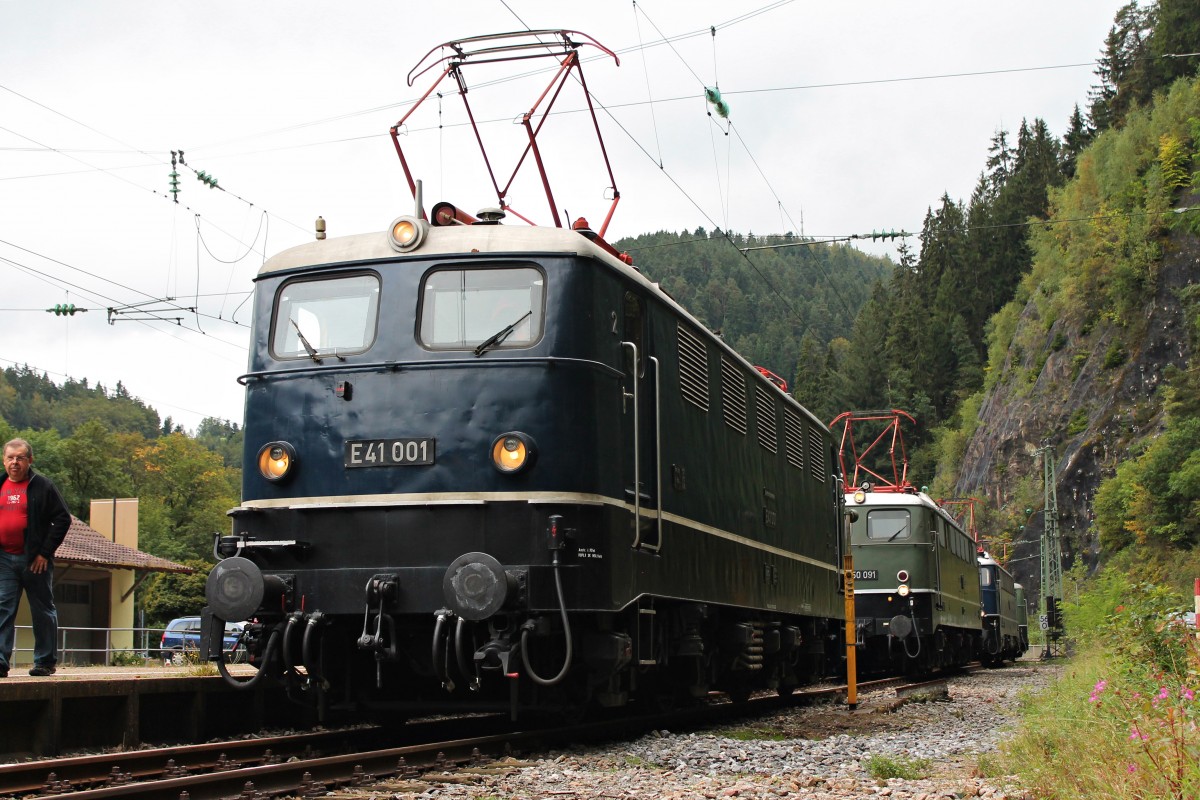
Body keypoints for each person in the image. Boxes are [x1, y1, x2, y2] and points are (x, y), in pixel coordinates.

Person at [0, 438, 71, 678]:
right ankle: (0, 661)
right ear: (4, 460)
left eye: (20, 458)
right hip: (4, 560)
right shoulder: (0, 485)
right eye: (10, 458)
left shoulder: (43, 486)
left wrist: (44, 552)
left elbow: (63, 519)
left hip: (34, 561)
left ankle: (44, 662)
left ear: (30, 460)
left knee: (42, 611)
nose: (15, 462)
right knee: (3, 609)